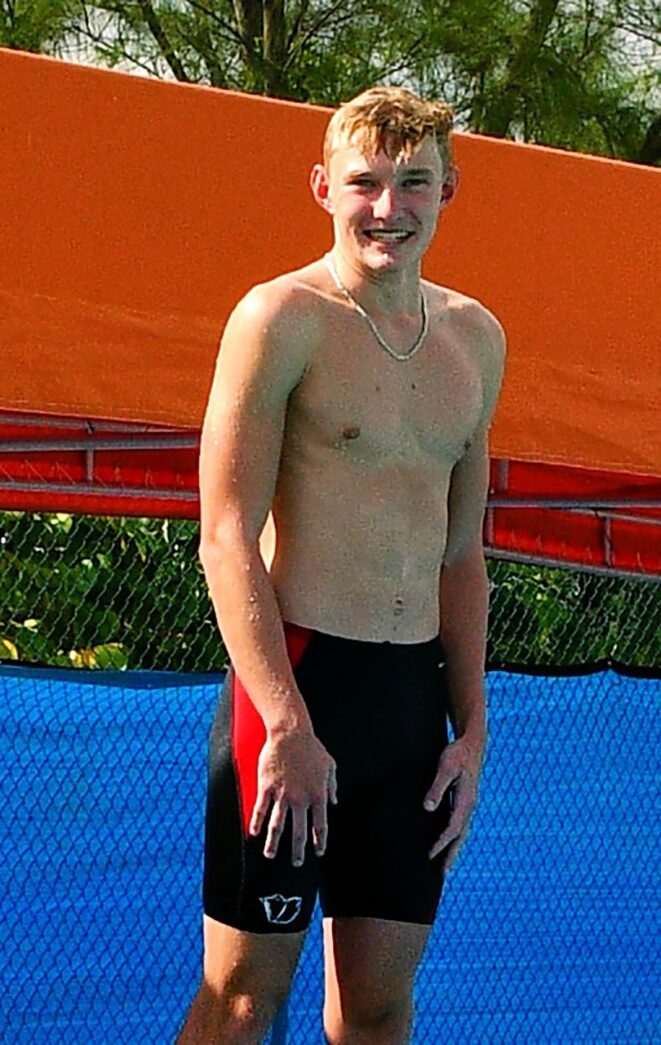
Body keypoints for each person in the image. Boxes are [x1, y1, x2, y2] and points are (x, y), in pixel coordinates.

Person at [177, 85, 506, 1044]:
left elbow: (460, 552)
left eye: (412, 182)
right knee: (244, 999)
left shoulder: (475, 340)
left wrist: (472, 730)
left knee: (376, 1006)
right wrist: (285, 719)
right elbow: (225, 534)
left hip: (410, 705)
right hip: (297, 679)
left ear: (449, 188)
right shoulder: (279, 317)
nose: (386, 207)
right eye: (364, 182)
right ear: (322, 186)